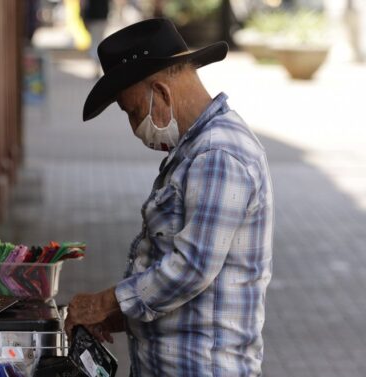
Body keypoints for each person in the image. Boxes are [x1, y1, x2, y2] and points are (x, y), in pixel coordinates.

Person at [66, 19, 274, 376]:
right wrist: (120, 314)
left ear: (161, 92)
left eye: (133, 113)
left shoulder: (217, 154)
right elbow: (178, 284)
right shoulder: (195, 151)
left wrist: (104, 302)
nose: (135, 130)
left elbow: (191, 269)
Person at [81, 0, 112, 77]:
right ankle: (98, 67)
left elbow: (84, 4)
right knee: (98, 43)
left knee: (95, 44)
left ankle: (97, 67)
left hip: (93, 19)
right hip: (101, 18)